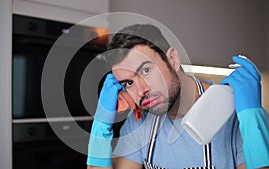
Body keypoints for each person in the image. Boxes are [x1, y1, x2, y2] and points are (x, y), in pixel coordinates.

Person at [87, 24, 269, 169]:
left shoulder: (238, 115)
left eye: (146, 70)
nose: (141, 90)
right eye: (129, 83)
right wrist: (100, 126)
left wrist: (252, 118)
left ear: (172, 59)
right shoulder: (139, 122)